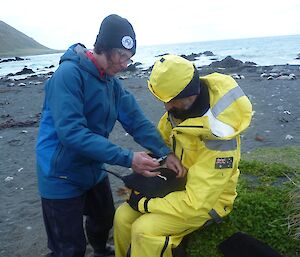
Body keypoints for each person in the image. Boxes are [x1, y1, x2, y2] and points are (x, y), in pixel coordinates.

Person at [36, 15, 185, 257]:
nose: (125, 64)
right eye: (121, 56)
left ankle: (100, 251)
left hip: (92, 167)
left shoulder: (110, 83)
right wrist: (129, 158)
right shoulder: (68, 75)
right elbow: (71, 133)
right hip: (60, 173)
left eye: (130, 58)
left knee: (104, 220)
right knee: (69, 247)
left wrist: (164, 152)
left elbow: (136, 120)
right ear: (103, 47)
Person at [114, 54, 253, 257]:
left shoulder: (219, 135)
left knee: (144, 230)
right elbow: (163, 144)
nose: (166, 107)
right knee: (122, 217)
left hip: (208, 202)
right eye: (164, 101)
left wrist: (144, 202)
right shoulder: (178, 110)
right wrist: (153, 159)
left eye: (171, 101)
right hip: (176, 186)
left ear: (191, 93)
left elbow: (196, 203)